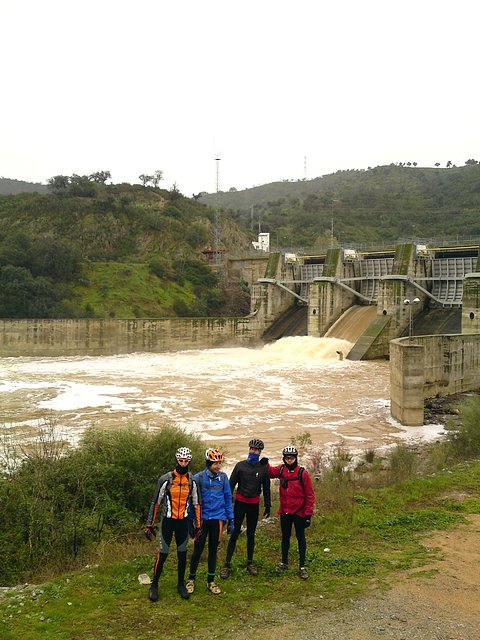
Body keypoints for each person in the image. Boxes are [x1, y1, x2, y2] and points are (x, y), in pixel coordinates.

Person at [145, 446, 201, 601]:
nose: (183, 463)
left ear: (189, 461)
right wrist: (149, 524)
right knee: (162, 555)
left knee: (182, 555)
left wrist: (198, 526)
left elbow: (197, 504)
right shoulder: (166, 479)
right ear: (177, 460)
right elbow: (155, 502)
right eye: (181, 460)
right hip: (167, 523)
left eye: (186, 461)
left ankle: (180, 585)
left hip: (183, 522)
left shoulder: (192, 480)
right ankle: (154, 585)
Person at [185, 448, 234, 595]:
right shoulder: (198, 478)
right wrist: (191, 521)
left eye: (219, 463)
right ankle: (191, 580)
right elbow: (192, 501)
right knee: (197, 550)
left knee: (213, 551)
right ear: (208, 463)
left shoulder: (224, 478)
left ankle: (211, 581)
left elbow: (228, 500)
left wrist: (231, 520)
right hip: (202, 520)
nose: (217, 466)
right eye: (214, 463)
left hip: (218, 520)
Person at [220, 438, 271, 578]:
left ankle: (250, 563)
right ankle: (226, 564)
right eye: (251, 449)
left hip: (253, 505)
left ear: (260, 452)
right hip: (240, 505)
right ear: (249, 449)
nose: (253, 452)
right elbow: (230, 486)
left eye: (256, 450)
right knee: (234, 533)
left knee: (251, 534)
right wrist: (227, 504)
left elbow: (266, 488)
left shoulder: (263, 469)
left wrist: (268, 505)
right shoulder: (240, 466)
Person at [266, 445, 315, 579]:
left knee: (301, 539)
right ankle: (284, 562)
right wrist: (265, 463)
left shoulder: (302, 473)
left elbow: (310, 495)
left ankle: (302, 567)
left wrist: (308, 515)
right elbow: (270, 473)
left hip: (299, 512)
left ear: (296, 458)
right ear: (284, 459)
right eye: (287, 458)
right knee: (285, 538)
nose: (289, 460)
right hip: (285, 512)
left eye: (292, 458)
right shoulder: (281, 469)